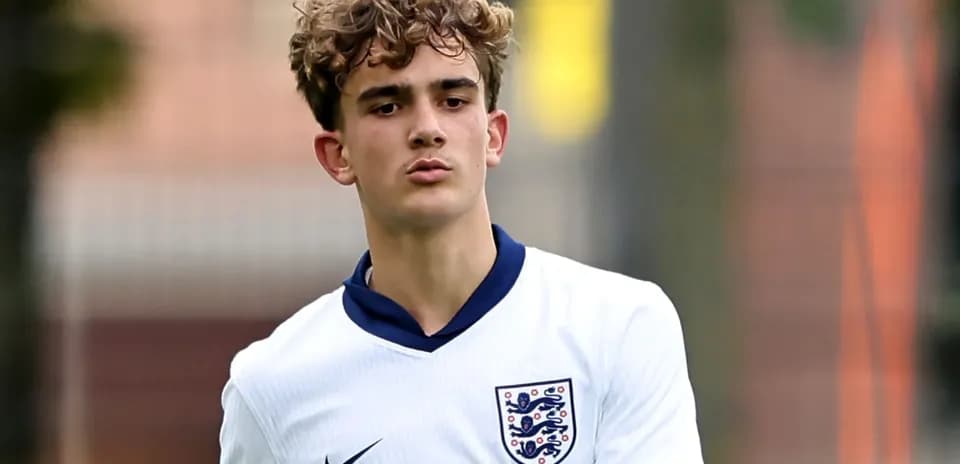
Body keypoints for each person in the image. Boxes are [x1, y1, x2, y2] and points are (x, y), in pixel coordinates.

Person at [218, 0, 703, 462]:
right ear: (337, 155)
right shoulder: (271, 388)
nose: (427, 128)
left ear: (493, 135)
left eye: (452, 100)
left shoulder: (619, 328)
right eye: (388, 106)